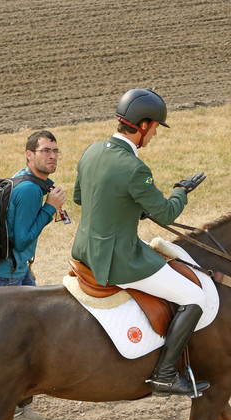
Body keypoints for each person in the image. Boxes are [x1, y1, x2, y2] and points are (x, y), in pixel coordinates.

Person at [71, 88, 209, 397]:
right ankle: (164, 375)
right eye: (156, 127)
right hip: (119, 259)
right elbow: (166, 213)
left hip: (83, 251)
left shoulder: (92, 150)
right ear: (143, 124)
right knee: (195, 297)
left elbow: (82, 197)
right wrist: (180, 191)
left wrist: (129, 205)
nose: (156, 134)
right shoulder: (134, 168)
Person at [0, 130, 67, 291]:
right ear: (29, 155)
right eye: (45, 151)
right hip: (5, 277)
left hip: (10, 269)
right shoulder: (29, 189)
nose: (52, 156)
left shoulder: (21, 176)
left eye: (55, 151)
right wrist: (50, 208)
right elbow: (22, 241)